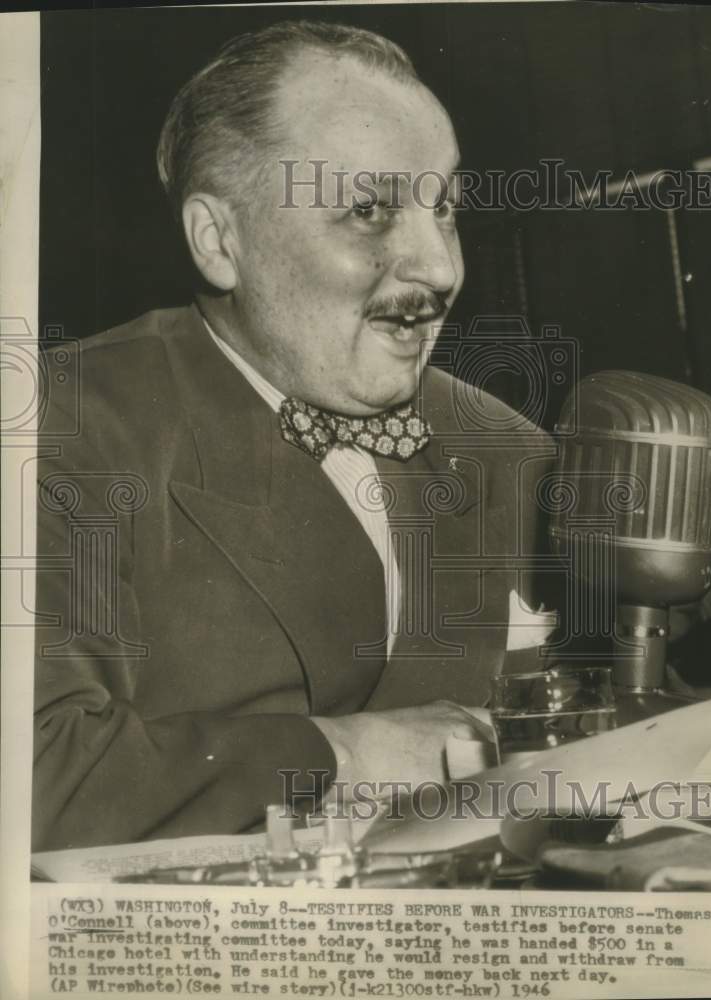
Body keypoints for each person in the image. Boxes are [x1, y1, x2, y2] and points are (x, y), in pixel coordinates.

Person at [33, 20, 554, 851]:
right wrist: (345, 753)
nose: (441, 270)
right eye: (370, 211)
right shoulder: (56, 426)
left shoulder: (508, 449)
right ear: (220, 240)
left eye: (444, 209)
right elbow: (34, 774)